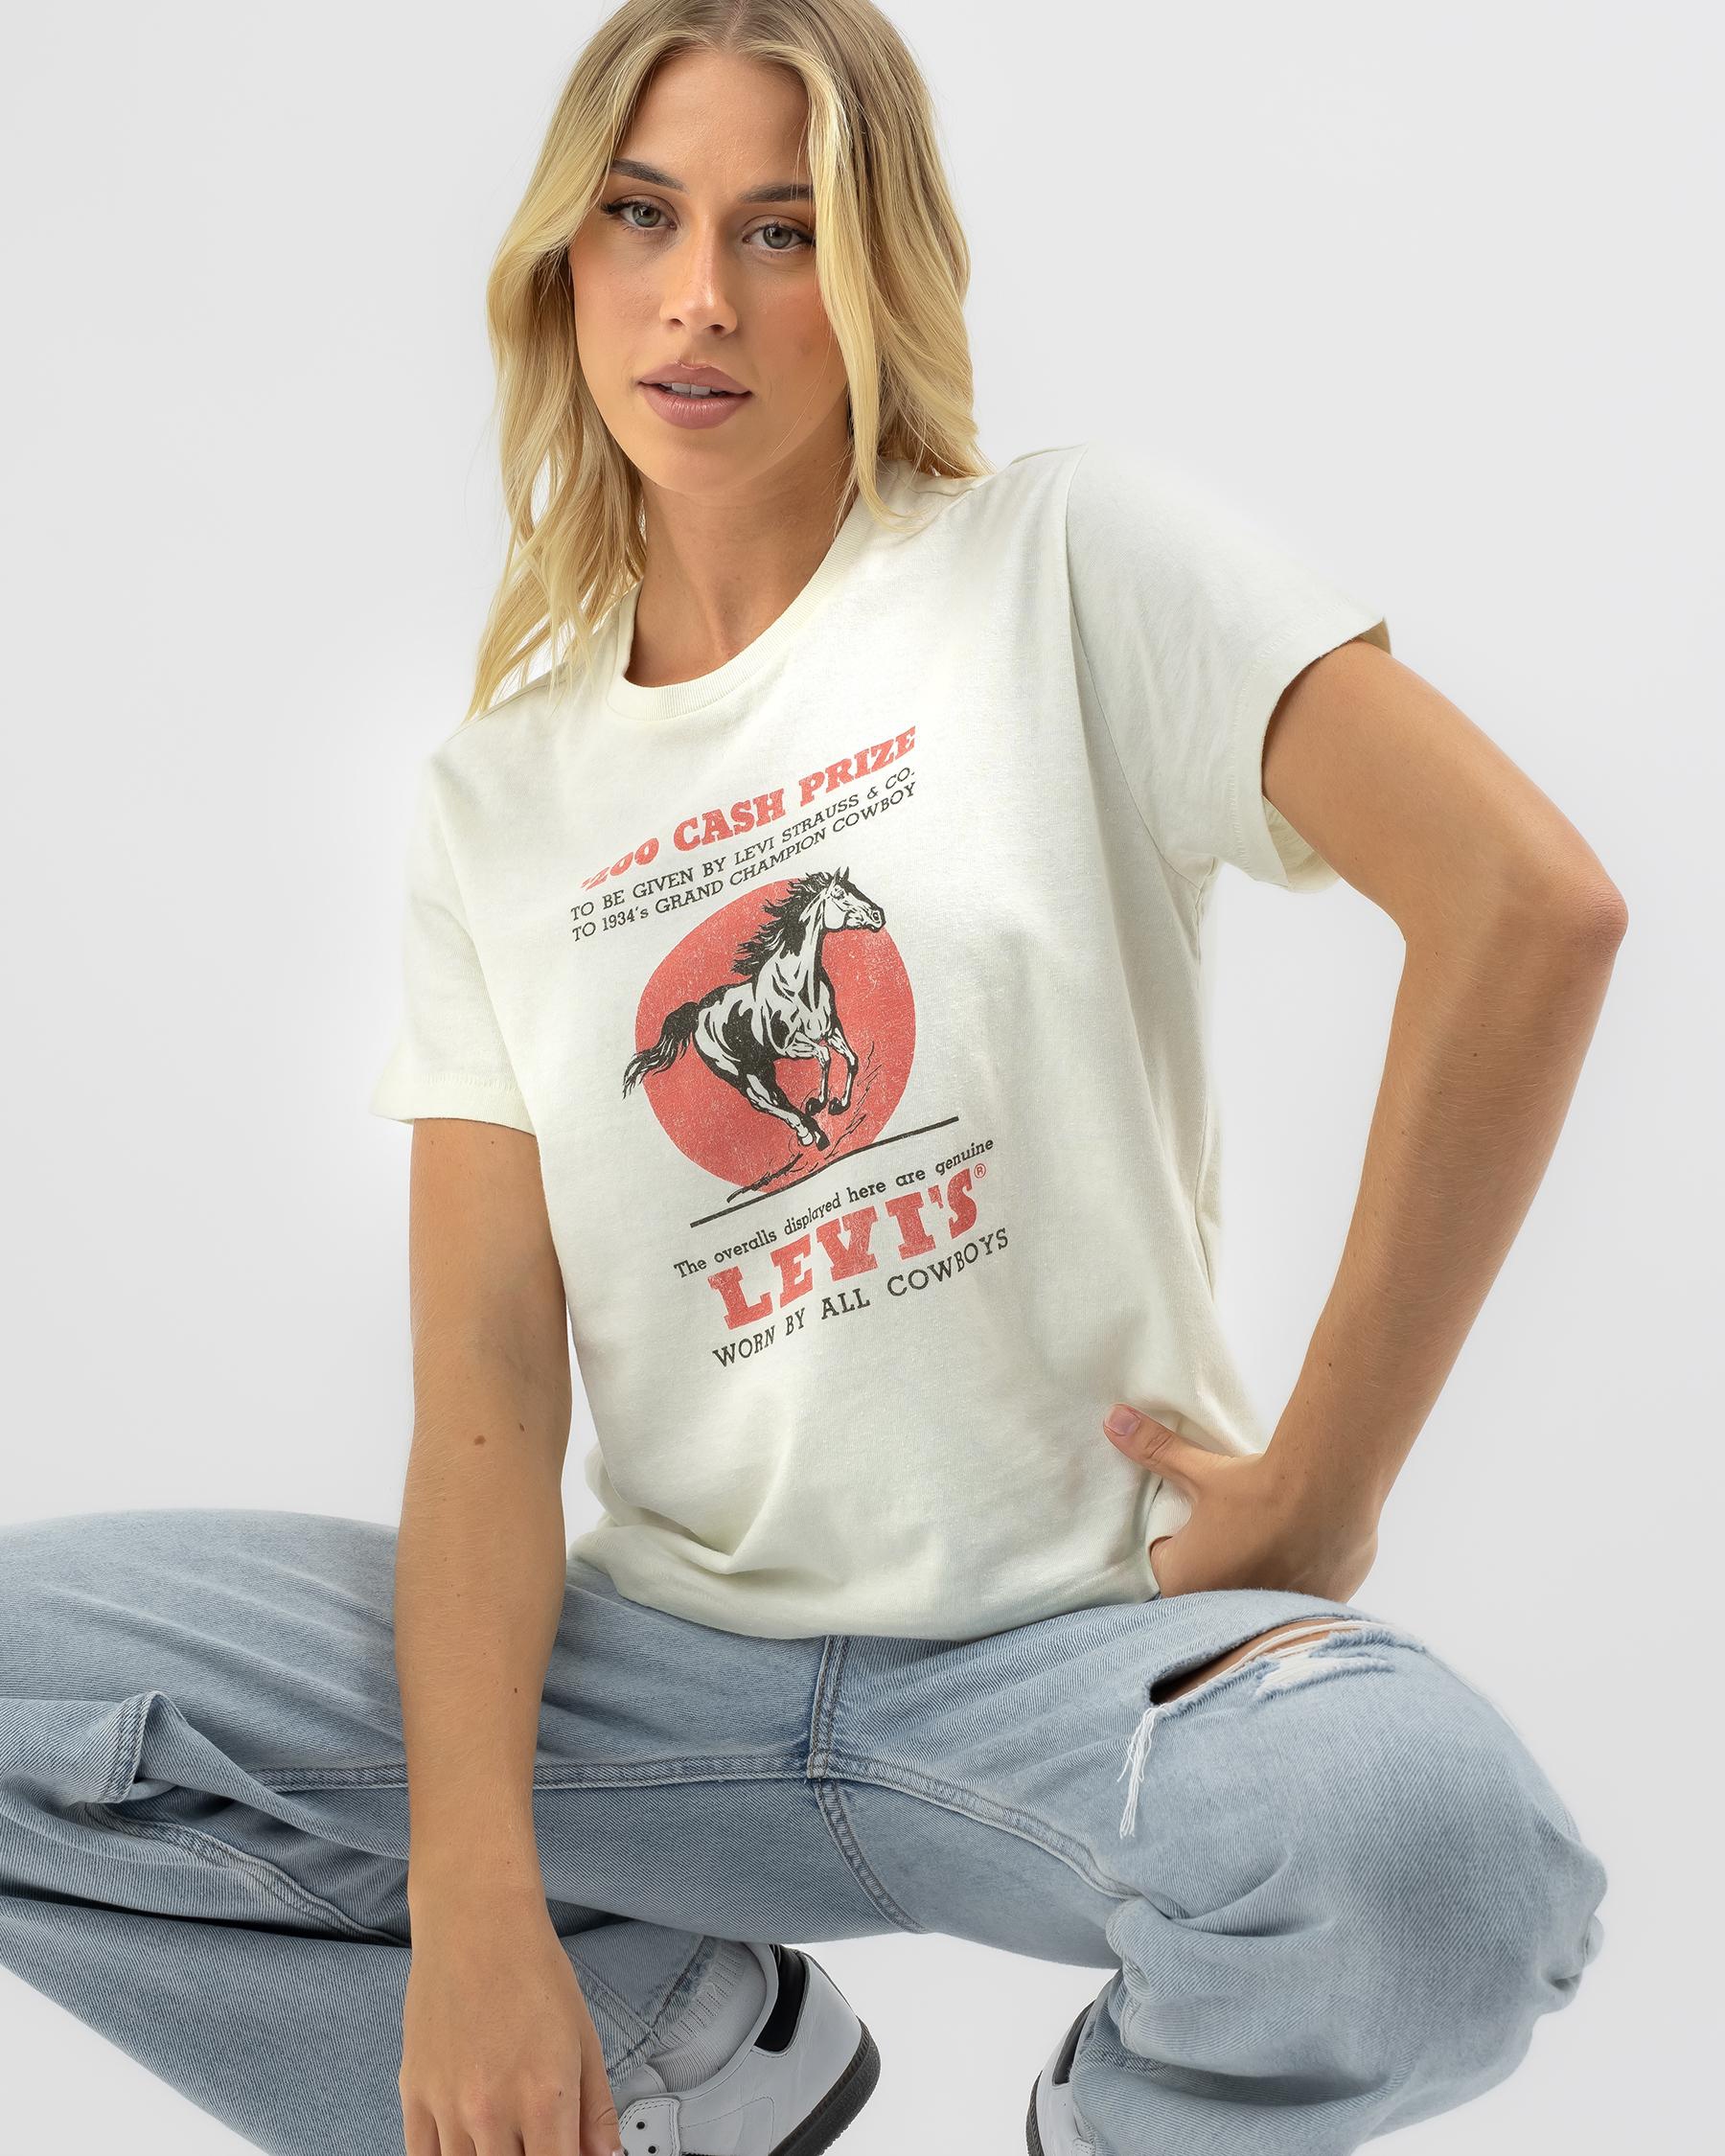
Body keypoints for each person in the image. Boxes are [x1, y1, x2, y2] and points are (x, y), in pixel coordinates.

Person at [0, 4, 1622, 2153]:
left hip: (1081, 1662)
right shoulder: (500, 799)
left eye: (782, 230)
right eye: (642, 216)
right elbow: (488, 1387)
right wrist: (477, 1909)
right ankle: (684, 2053)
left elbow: (1527, 906)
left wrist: (1328, 1480)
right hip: (663, 1691)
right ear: (561, 263)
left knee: (1438, 1862)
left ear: (876, 274)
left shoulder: (1064, 565)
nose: (700, 297)